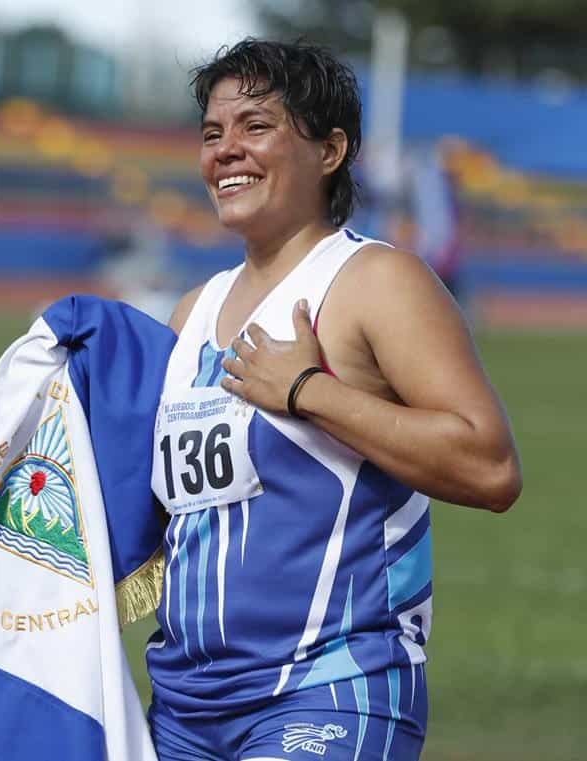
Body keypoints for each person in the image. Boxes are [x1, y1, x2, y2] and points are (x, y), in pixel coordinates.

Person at [145, 39, 521, 761]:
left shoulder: (376, 281)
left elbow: (491, 465)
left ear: (330, 150)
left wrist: (308, 391)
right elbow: (162, 516)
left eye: (256, 127)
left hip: (332, 689)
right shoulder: (189, 312)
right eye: (212, 134)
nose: (226, 151)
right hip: (184, 708)